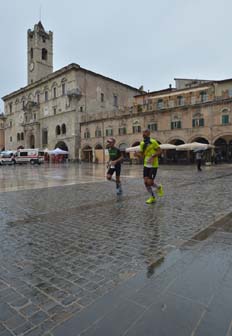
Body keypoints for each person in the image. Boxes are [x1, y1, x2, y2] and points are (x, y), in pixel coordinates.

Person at [135, 129, 164, 204]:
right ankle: (152, 197)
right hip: (146, 165)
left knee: (150, 182)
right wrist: (137, 155)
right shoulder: (142, 143)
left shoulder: (153, 142)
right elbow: (142, 156)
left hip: (153, 165)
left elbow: (160, 151)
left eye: (145, 132)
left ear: (149, 134)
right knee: (146, 182)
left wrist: (153, 155)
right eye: (143, 133)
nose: (144, 134)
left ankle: (159, 187)